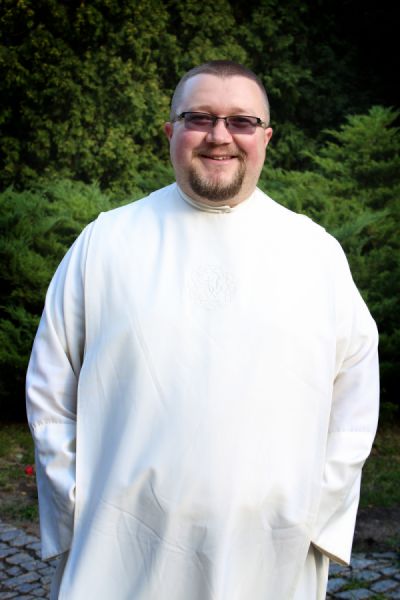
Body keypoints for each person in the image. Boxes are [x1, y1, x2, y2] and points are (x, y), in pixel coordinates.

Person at [26, 60, 379, 600]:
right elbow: (50, 387)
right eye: (200, 118)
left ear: (266, 138)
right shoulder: (105, 242)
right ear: (171, 131)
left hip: (268, 547)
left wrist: (313, 513)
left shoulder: (315, 254)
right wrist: (80, 504)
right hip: (120, 547)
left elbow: (355, 395)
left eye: (241, 121)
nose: (220, 136)